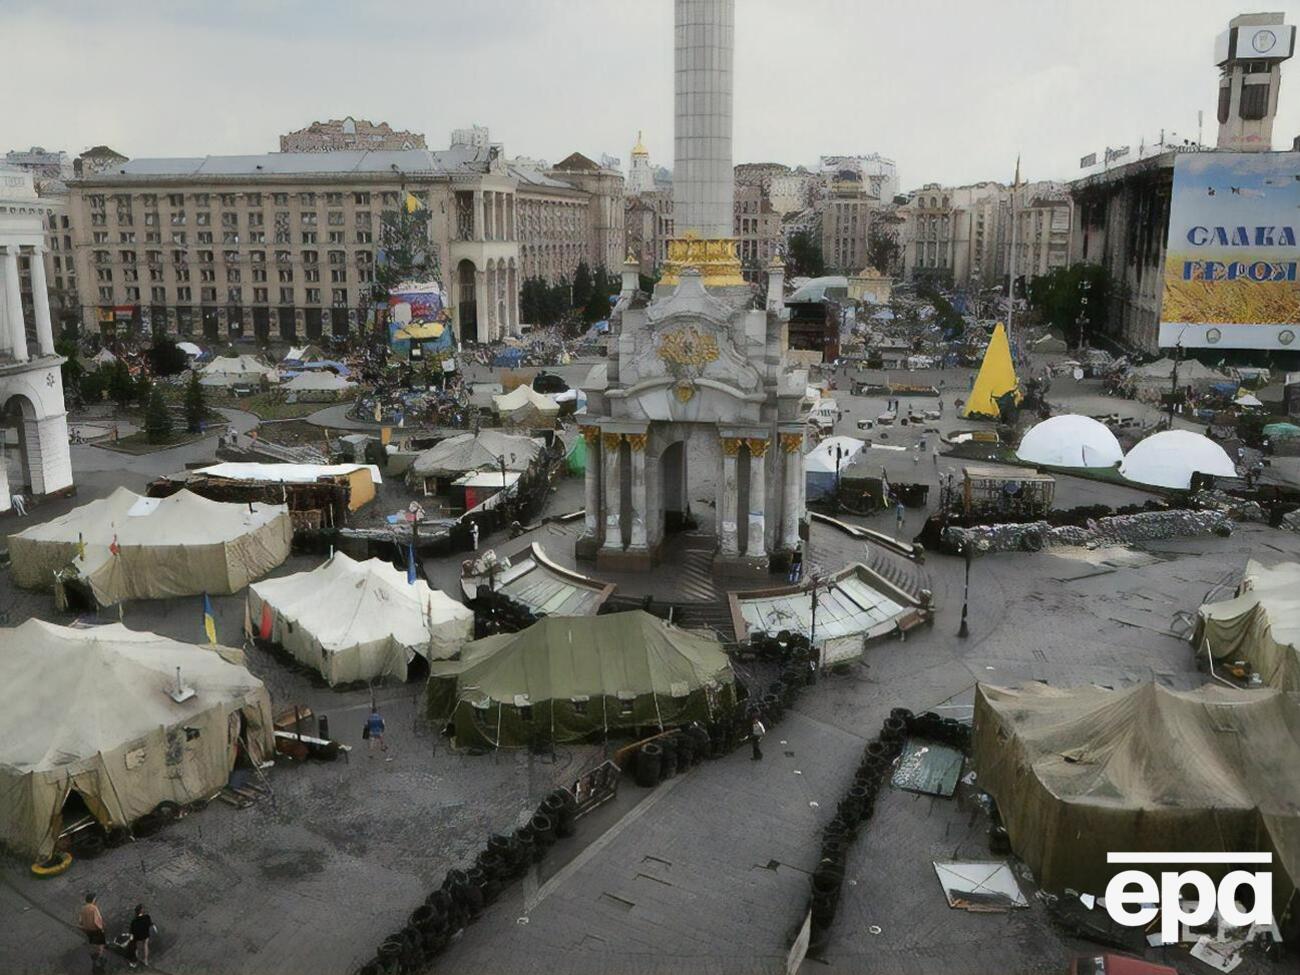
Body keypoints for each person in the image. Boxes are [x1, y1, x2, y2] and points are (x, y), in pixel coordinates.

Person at [78, 892, 106, 973]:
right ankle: (99, 957)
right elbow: (97, 921)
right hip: (95, 929)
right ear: (93, 900)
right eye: (95, 898)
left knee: (92, 941)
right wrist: (102, 928)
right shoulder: (94, 908)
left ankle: (94, 955)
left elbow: (80, 921)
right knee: (101, 944)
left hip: (88, 930)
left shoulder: (83, 908)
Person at [128, 904, 153, 969]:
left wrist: (131, 937)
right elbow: (150, 924)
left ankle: (136, 960)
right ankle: (146, 960)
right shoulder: (147, 917)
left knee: (137, 947)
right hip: (145, 934)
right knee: (145, 945)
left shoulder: (134, 921)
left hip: (138, 936)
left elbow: (132, 931)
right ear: (142, 911)